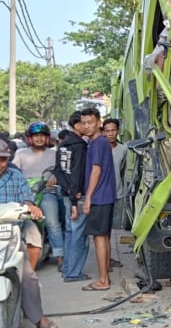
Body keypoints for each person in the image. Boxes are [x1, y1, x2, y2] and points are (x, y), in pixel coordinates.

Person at [0, 140, 58, 328]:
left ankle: (38, 318)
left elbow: (27, 197)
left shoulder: (14, 176)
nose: (1, 164)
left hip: (12, 230)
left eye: (3, 160)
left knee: (27, 275)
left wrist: (31, 207)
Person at [13, 121, 64, 271]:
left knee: (52, 223)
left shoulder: (53, 154)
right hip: (26, 194)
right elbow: (14, 171)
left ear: (47, 138)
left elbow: (58, 172)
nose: (39, 139)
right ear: (30, 138)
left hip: (47, 192)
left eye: (42, 136)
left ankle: (60, 254)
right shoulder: (21, 154)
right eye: (36, 136)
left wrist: (54, 179)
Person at [81, 107, 117, 291]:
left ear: (98, 122)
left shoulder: (98, 143)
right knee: (103, 237)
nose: (86, 126)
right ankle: (105, 276)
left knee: (99, 238)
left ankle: (103, 280)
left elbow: (96, 170)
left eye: (90, 122)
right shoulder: (99, 143)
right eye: (84, 123)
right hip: (105, 196)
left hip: (100, 197)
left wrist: (88, 197)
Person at [53, 111, 90, 282]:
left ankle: (67, 269)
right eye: (84, 123)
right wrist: (75, 199)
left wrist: (67, 191)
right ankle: (73, 273)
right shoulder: (79, 145)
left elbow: (59, 171)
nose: (87, 126)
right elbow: (77, 173)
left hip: (65, 193)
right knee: (78, 233)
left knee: (70, 231)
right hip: (76, 195)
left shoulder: (63, 144)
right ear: (76, 125)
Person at [103, 119, 127, 270]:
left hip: (117, 193)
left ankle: (107, 257)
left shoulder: (124, 149)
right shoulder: (99, 148)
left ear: (118, 131)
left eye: (113, 130)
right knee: (103, 230)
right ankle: (105, 261)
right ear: (103, 132)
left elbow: (124, 170)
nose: (110, 134)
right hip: (102, 195)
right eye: (107, 131)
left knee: (110, 229)